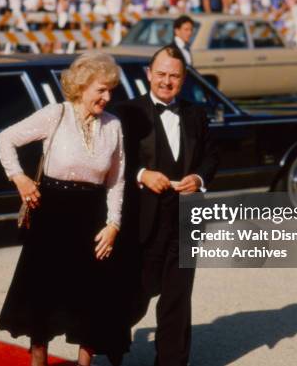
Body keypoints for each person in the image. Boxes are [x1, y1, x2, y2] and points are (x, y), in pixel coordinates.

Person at [0, 53, 129, 366]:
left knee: (92, 299)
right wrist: (20, 179)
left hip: (93, 218)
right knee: (42, 299)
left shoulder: (113, 126)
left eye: (111, 90)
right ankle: (37, 361)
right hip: (51, 215)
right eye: (101, 90)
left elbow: (117, 181)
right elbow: (5, 139)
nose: (107, 97)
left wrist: (113, 225)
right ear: (82, 86)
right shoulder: (55, 114)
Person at [115, 46, 218, 366]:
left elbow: (211, 157)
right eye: (160, 74)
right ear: (148, 74)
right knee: (134, 293)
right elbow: (114, 162)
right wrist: (142, 175)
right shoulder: (126, 112)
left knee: (177, 297)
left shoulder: (196, 113)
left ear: (184, 79)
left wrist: (199, 180)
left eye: (174, 76)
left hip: (186, 220)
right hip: (142, 220)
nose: (166, 81)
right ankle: (112, 345)